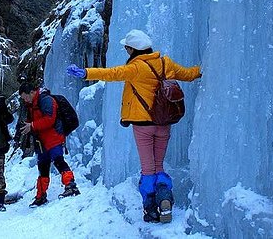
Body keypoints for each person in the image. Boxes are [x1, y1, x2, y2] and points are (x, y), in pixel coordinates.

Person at [66, 29, 201, 223]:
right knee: (159, 165)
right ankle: (165, 198)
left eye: (127, 48)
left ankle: (151, 210)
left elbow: (112, 73)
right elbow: (188, 74)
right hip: (164, 123)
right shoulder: (165, 63)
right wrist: (202, 70)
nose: (126, 51)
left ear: (133, 49)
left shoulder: (136, 67)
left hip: (143, 125)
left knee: (148, 169)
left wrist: (86, 72)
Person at [19, 81, 80, 207]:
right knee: (43, 167)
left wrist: (32, 125)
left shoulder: (46, 100)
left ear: (32, 92)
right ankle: (41, 196)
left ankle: (71, 186)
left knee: (58, 161)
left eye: (25, 97)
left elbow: (49, 119)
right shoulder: (32, 104)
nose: (25, 100)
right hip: (41, 141)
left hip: (53, 137)